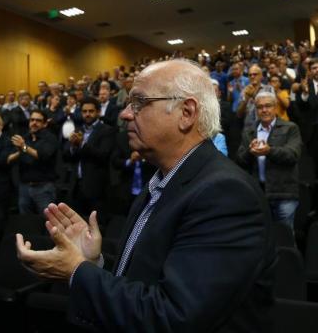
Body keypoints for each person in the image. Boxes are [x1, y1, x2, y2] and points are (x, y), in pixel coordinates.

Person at [17, 59, 275, 333]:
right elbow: (143, 282)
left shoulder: (225, 194)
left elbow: (172, 317)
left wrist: (77, 272)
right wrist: (94, 264)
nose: (126, 114)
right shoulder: (161, 181)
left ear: (186, 113)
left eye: (139, 103)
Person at [237, 91, 302, 229]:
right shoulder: (249, 131)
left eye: (268, 106)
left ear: (276, 107)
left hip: (284, 193)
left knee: (285, 241)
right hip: (258, 194)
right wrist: (250, 152)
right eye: (260, 107)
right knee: (263, 240)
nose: (264, 110)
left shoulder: (290, 128)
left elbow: (293, 155)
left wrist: (269, 151)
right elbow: (240, 160)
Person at [8, 110, 58, 214]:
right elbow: (9, 159)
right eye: (32, 120)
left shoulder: (50, 138)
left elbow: (43, 156)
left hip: (43, 187)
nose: (34, 123)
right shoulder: (25, 138)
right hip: (24, 187)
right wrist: (19, 150)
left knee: (47, 221)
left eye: (38, 121)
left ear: (45, 124)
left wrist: (24, 147)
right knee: (26, 222)